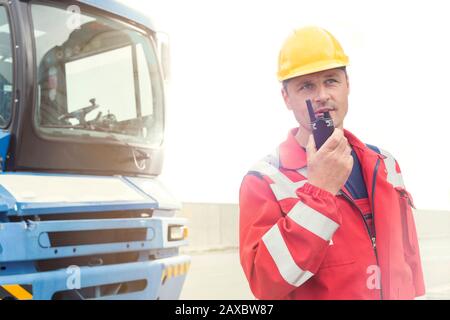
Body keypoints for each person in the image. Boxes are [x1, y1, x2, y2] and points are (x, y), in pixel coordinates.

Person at [239, 26, 425, 300]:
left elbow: (409, 265)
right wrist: (319, 192)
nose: (322, 95)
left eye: (331, 80)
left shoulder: (385, 164)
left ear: (347, 85)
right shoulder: (265, 180)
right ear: (286, 98)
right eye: (306, 86)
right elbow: (265, 284)